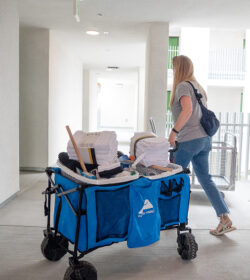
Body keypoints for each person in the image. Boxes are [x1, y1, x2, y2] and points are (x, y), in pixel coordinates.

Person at [168, 55, 236, 236]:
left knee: (173, 178)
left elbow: (188, 110)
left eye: (174, 67)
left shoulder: (183, 86)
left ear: (179, 69)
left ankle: (169, 218)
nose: (173, 71)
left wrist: (174, 132)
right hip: (205, 139)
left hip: (189, 139)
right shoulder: (198, 87)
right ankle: (224, 218)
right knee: (206, 179)